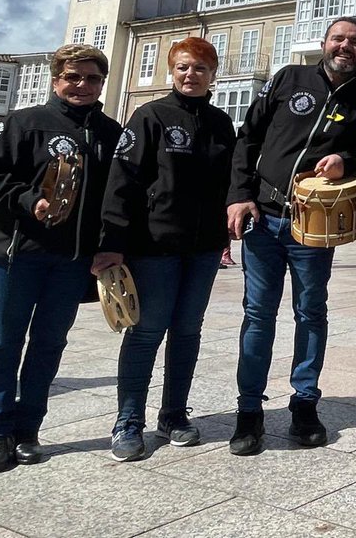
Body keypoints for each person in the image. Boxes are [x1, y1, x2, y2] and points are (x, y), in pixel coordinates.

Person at [225, 17, 356, 456]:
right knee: (258, 315)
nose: (345, 46)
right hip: (264, 216)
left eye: (354, 41)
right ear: (324, 43)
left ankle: (304, 404)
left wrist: (345, 161)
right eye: (339, 38)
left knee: (311, 312)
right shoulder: (288, 78)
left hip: (313, 227)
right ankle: (249, 413)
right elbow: (248, 137)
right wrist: (240, 194)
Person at [95, 38, 236, 462]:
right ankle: (128, 421)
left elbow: (232, 180)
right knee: (147, 332)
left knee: (188, 331)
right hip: (154, 246)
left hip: (205, 247)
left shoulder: (221, 123)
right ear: (171, 72)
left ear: (214, 74)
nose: (190, 75)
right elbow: (122, 181)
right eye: (182, 68)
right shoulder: (149, 116)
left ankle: (173, 414)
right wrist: (112, 243)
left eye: (199, 68)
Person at [0, 44, 122, 472]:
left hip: (70, 260)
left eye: (92, 78)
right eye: (73, 77)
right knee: (0, 343)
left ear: (102, 82)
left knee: (48, 345)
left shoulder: (110, 132)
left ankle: (28, 429)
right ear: (56, 79)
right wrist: (28, 201)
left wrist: (109, 244)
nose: (82, 86)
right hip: (15, 254)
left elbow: (115, 197)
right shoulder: (24, 121)